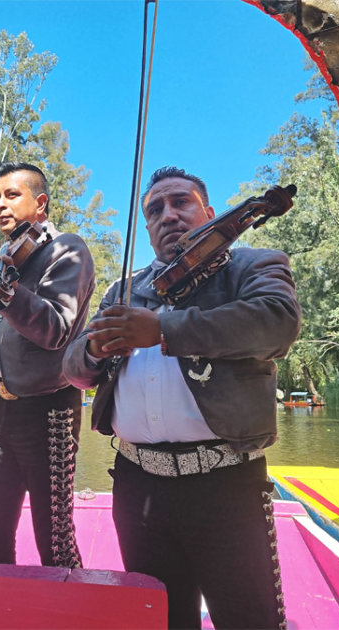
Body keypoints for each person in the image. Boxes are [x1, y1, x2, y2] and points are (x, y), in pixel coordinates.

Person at [63, 166, 301, 629]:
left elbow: (277, 322)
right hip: (137, 485)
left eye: (181, 203)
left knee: (250, 619)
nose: (168, 215)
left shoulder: (252, 264)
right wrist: (93, 349)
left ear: (209, 212)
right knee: (161, 620)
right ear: (147, 228)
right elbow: (73, 369)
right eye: (155, 210)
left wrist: (164, 329)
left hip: (225, 486)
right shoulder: (125, 289)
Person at [0, 162, 95, 568]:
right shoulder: (4, 259)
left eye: (12, 195)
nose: (1, 205)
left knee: (53, 537)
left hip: (49, 410)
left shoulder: (67, 250)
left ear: (40, 204)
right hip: (2, 409)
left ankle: (70, 614)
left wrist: (3, 289)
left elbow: (55, 329)